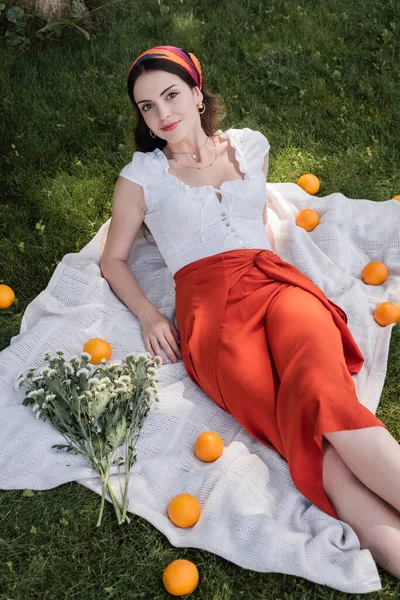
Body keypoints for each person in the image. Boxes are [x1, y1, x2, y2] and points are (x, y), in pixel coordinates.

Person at [100, 45, 400, 578]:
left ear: (196, 92)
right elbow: (114, 259)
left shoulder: (247, 147)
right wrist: (149, 314)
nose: (162, 113)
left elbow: (254, 226)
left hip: (275, 286)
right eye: (147, 106)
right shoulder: (140, 177)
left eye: (170, 95)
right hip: (211, 318)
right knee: (302, 441)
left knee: (323, 394)